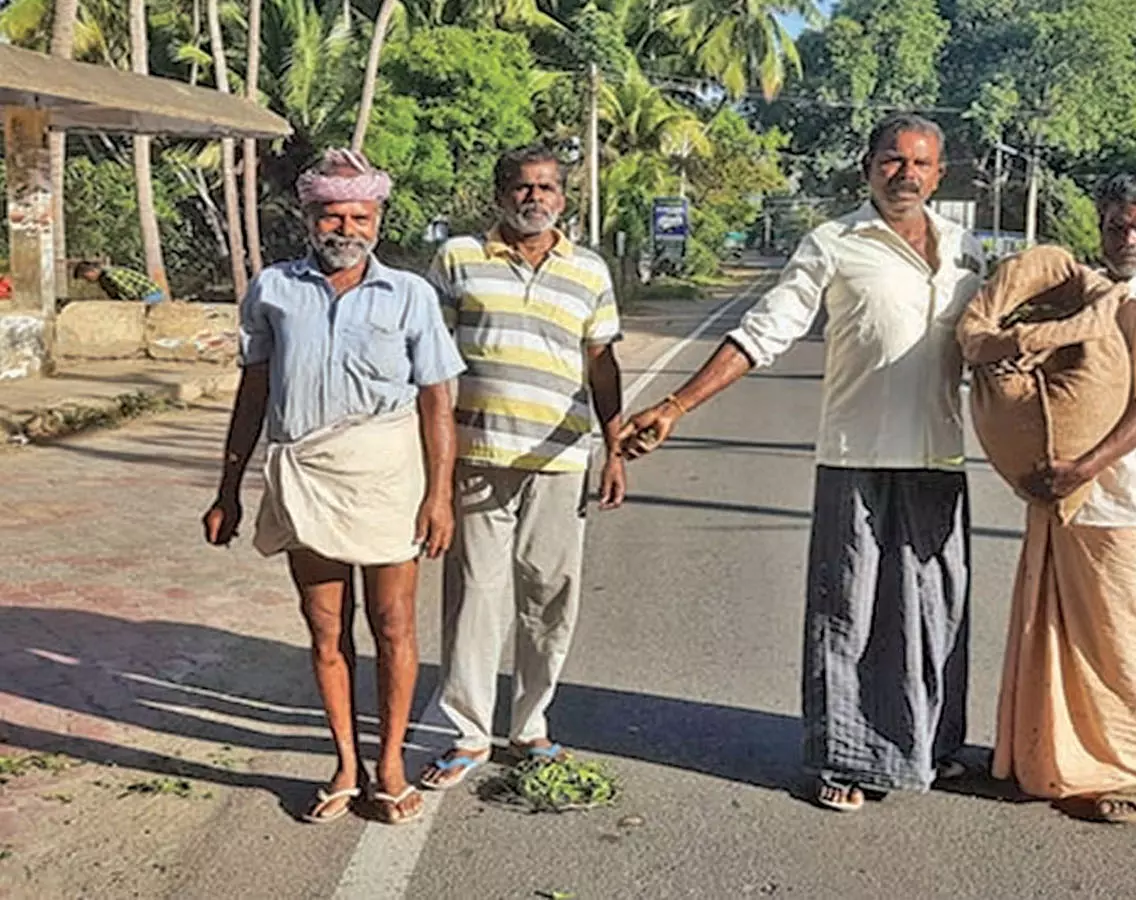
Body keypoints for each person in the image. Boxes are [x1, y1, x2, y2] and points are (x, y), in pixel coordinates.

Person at [621, 114, 985, 812]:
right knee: (849, 611)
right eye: (892, 160)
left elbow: (993, 340)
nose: (905, 174)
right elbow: (766, 330)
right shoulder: (833, 242)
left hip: (939, 456)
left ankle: (932, 746)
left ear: (940, 174)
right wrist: (676, 404)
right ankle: (841, 759)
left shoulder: (965, 249)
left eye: (920, 163)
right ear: (867, 166)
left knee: (938, 609)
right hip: (856, 456)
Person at [201, 148, 466, 826]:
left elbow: (437, 401)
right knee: (325, 629)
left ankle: (391, 765)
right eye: (331, 216)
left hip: (388, 479)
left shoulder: (410, 295)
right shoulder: (273, 289)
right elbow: (254, 391)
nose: (345, 229)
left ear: (378, 221)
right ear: (308, 217)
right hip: (304, 476)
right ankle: (346, 764)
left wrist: (439, 496)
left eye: (359, 216)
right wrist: (229, 488)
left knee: (393, 625)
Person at [991, 171, 1136, 824]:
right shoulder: (1090, 297)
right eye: (1117, 226)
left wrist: (1084, 465)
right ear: (1102, 229)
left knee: (1121, 644)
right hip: (1062, 498)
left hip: (1124, 503)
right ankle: (1044, 761)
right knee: (1050, 636)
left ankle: (1127, 773)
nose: (1129, 239)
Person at [419, 144, 627, 791]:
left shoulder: (588, 270)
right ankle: (469, 733)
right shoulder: (458, 259)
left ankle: (531, 725)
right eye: (522, 186)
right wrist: (432, 467)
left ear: (563, 198)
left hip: (561, 458)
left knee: (549, 594)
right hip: (477, 455)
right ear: (500, 194)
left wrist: (614, 447)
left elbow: (601, 364)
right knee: (475, 596)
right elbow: (431, 363)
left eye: (546, 187)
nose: (534, 198)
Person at [74, 260, 165, 305]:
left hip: (152, 294)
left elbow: (131, 292)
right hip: (141, 296)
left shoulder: (111, 275)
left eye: (85, 277)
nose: (87, 281)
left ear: (92, 271)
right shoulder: (103, 281)